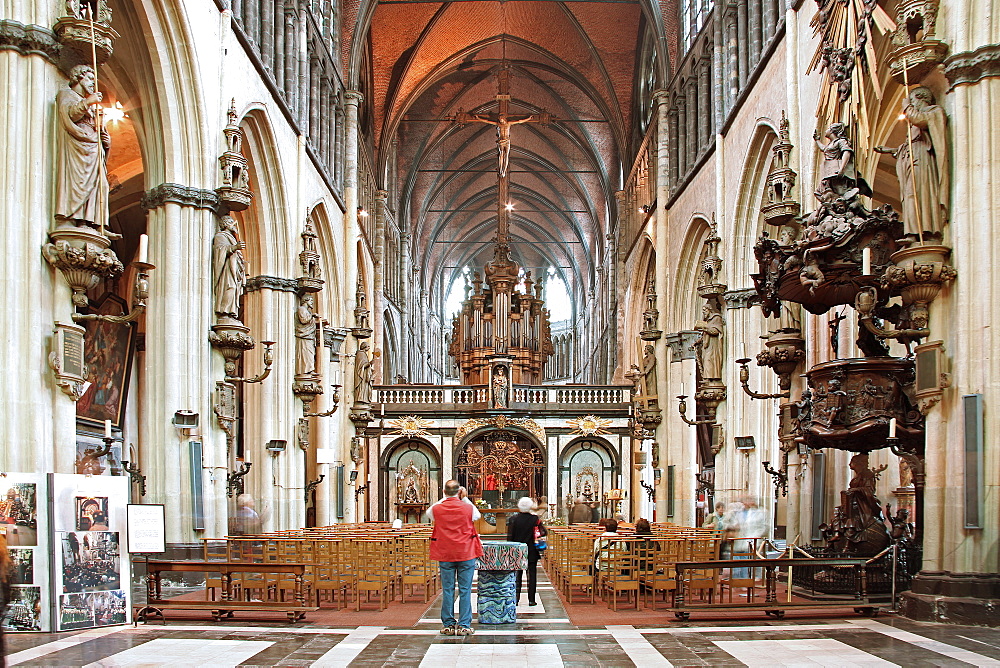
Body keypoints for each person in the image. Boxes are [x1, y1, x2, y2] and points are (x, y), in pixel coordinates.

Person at [55, 64, 110, 230]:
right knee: (78, 183)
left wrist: (105, 140)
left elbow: (96, 127)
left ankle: (88, 222)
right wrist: (88, 102)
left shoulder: (92, 107)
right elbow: (70, 115)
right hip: (79, 147)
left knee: (102, 184)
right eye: (90, 78)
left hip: (93, 148)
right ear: (78, 77)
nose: (93, 83)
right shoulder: (67, 94)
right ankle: (73, 218)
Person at [428, 480, 483, 636]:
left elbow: (429, 511)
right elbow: (477, 515)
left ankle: (448, 624)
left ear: (444, 492)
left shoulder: (438, 508)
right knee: (465, 590)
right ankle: (464, 624)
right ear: (459, 492)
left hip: (445, 552)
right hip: (465, 552)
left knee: (448, 589)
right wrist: (463, 497)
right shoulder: (468, 508)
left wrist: (447, 496)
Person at [506, 497, 544, 606]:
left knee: (517, 575)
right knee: (531, 575)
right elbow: (542, 531)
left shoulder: (513, 519)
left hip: (518, 550)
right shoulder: (535, 519)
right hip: (531, 550)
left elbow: (510, 537)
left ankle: (516, 599)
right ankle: (531, 599)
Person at [212, 215, 247, 321]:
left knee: (234, 289)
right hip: (226, 270)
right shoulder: (220, 236)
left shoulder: (232, 237)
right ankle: (224, 311)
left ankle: (231, 312)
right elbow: (219, 251)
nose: (234, 224)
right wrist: (235, 247)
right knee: (229, 287)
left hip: (234, 268)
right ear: (226, 224)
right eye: (232, 222)